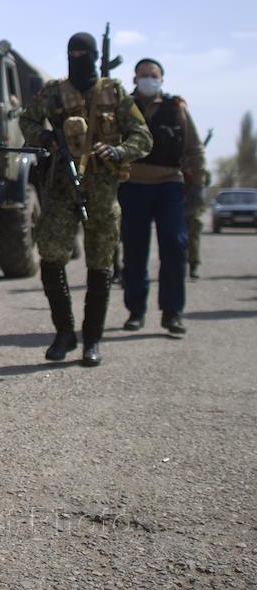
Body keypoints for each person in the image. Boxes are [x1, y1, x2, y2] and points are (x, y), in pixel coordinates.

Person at [20, 33, 153, 366]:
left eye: (83, 53)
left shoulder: (114, 92)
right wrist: (46, 137)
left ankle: (92, 339)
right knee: (50, 255)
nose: (77, 57)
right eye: (72, 52)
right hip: (62, 186)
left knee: (100, 263)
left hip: (104, 188)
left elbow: (143, 136)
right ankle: (64, 332)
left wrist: (119, 150)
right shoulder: (53, 92)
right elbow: (27, 119)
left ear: (94, 56)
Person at [118, 59, 207, 335]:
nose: (148, 80)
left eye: (152, 75)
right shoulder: (123, 108)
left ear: (162, 79)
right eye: (143, 75)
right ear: (134, 80)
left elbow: (194, 148)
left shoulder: (176, 108)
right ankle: (136, 311)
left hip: (169, 184)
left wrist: (198, 183)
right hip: (133, 185)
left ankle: (172, 313)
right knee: (134, 251)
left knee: (174, 246)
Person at [185, 167, 210, 280]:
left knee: (194, 237)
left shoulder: (201, 168)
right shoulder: (177, 159)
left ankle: (193, 266)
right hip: (179, 205)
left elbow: (205, 183)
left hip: (195, 207)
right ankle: (177, 267)